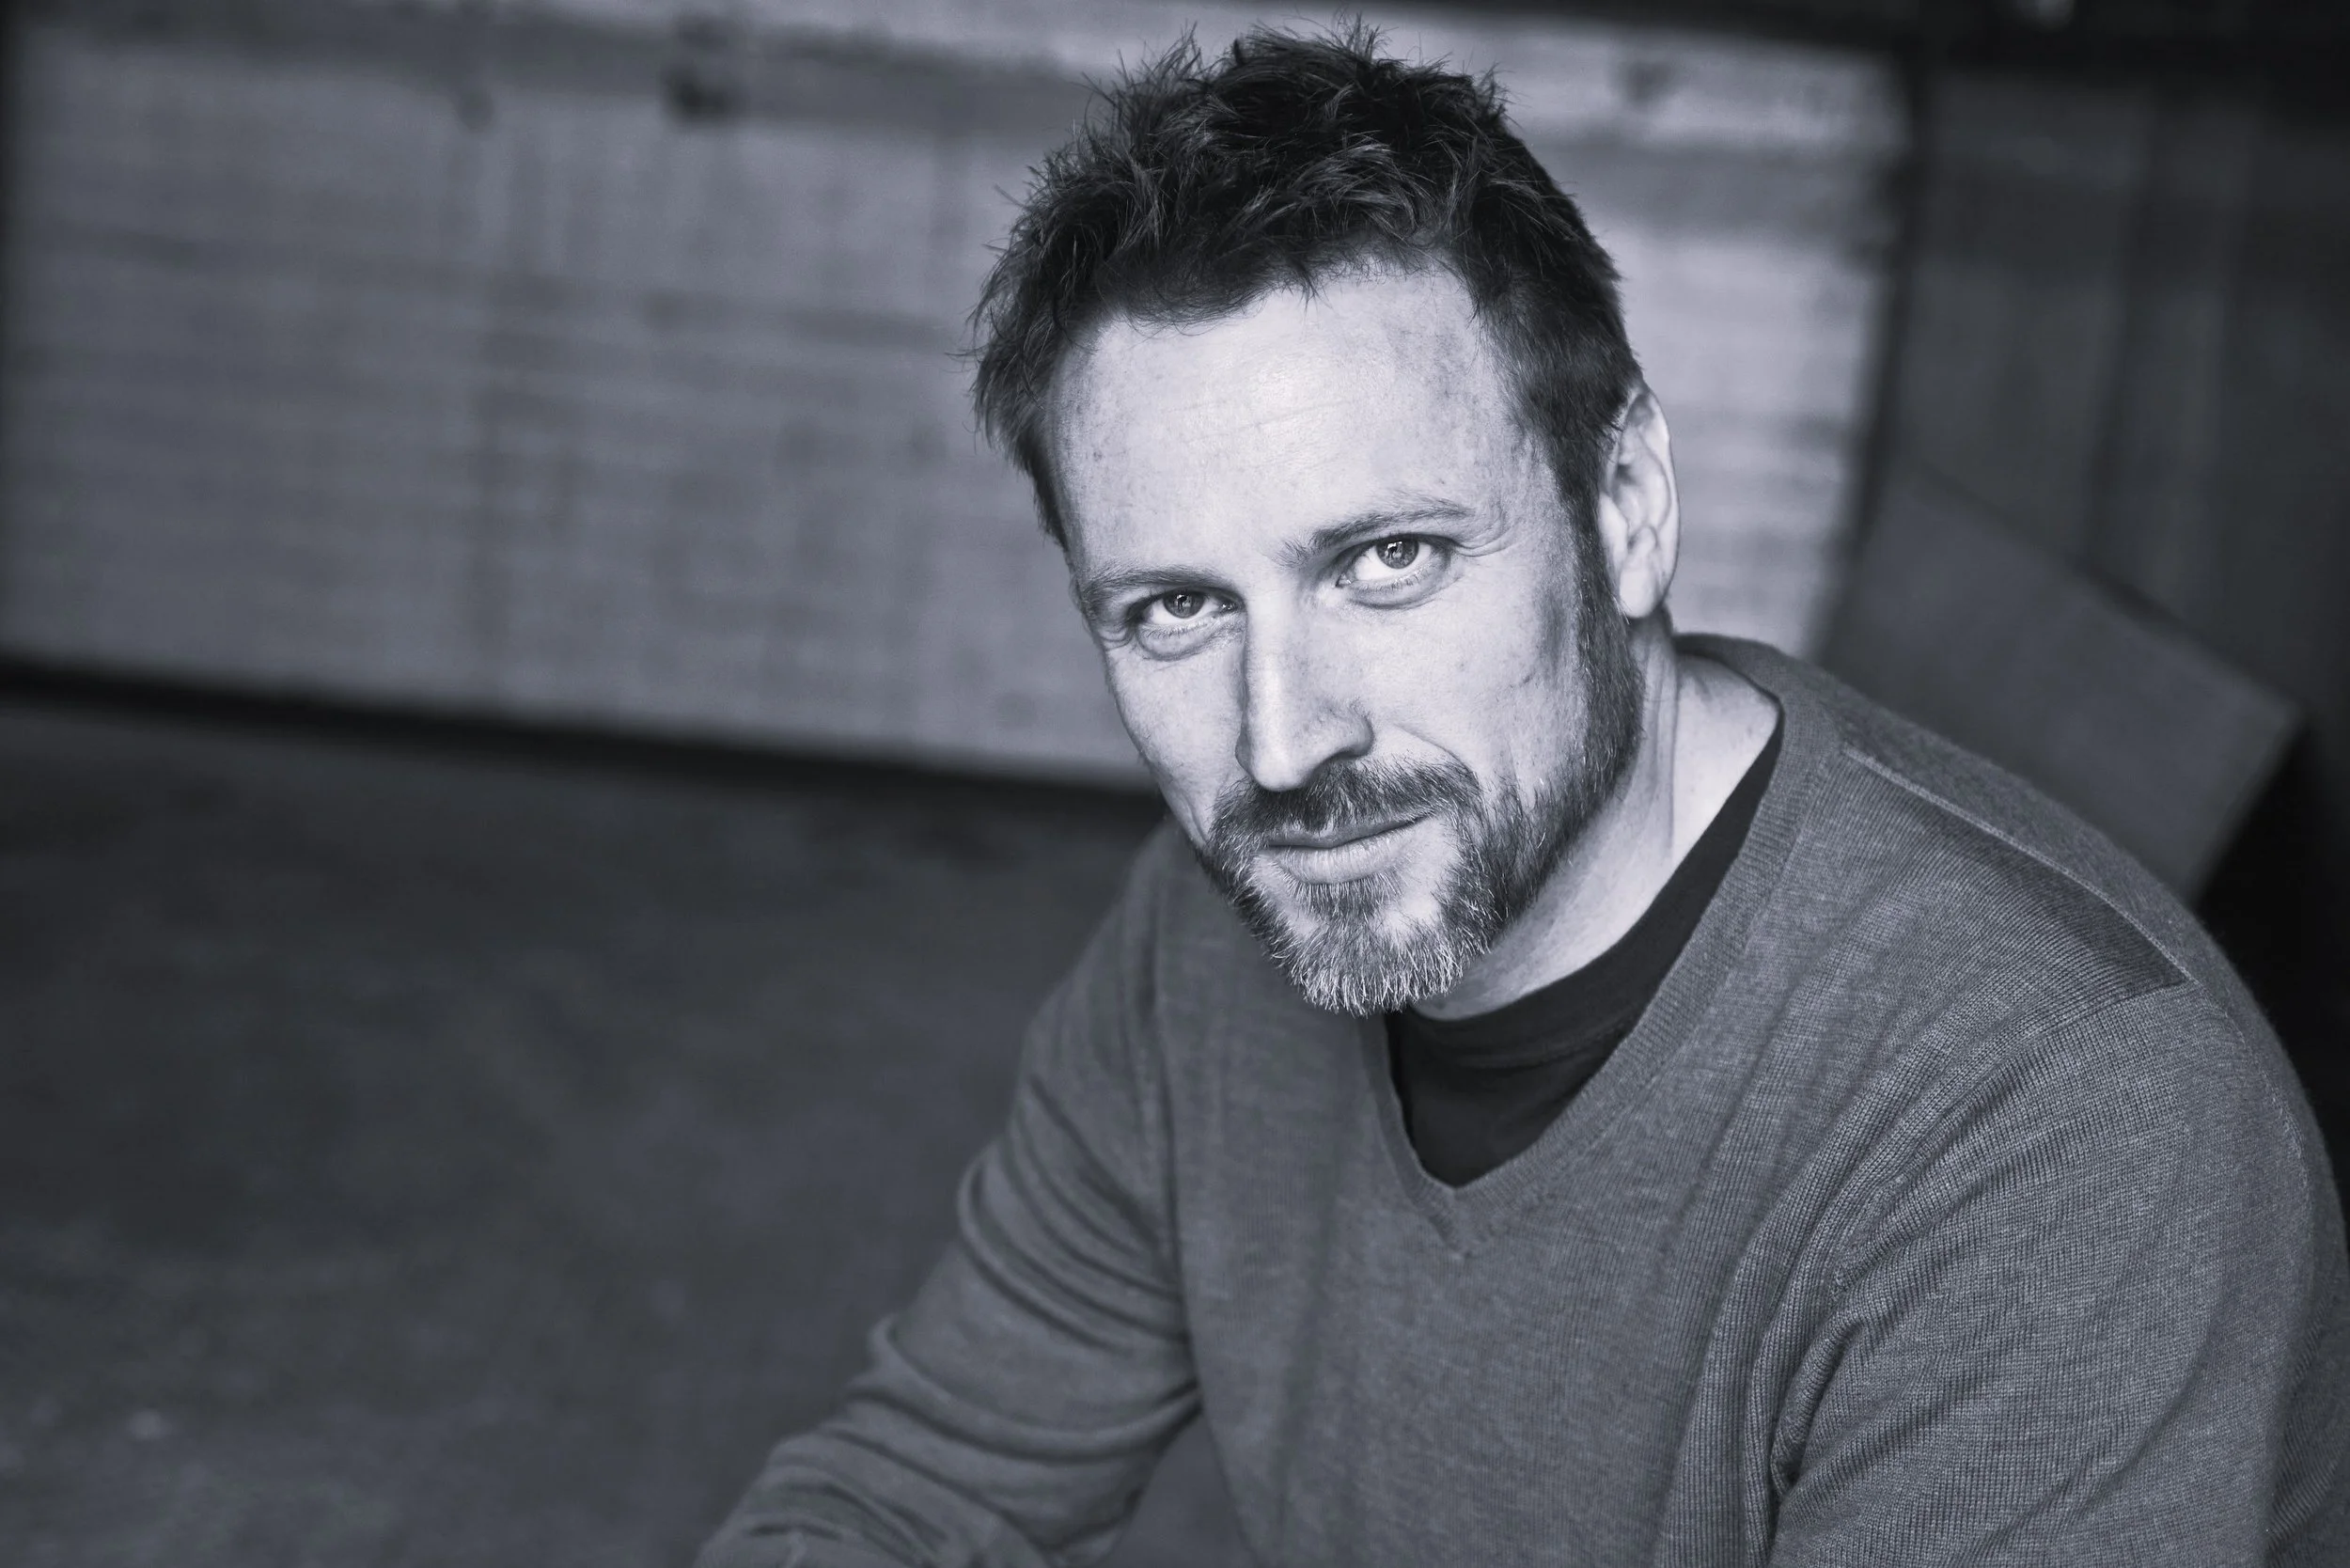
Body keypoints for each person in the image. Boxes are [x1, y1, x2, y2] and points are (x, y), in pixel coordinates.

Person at [698, 25, 2350, 1567]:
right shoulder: (1213, 935)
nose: (1285, 744)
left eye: (1388, 559)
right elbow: (921, 1480)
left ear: (1624, 506)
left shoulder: (2063, 1135)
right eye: (1177, 610)